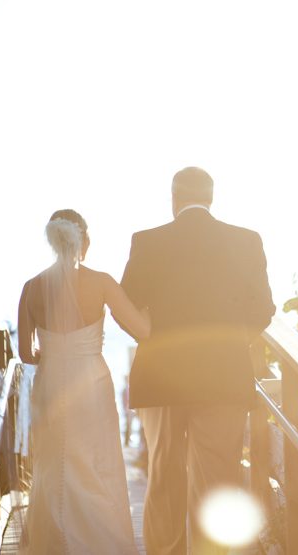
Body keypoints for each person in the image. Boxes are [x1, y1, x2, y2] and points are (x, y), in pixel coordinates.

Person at [121, 167, 275, 554]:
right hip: (223, 376)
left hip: (160, 377)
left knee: (163, 475)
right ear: (211, 197)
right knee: (218, 477)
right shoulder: (245, 241)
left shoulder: (147, 241)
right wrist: (231, 344)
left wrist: (150, 337)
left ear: (173, 199)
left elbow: (125, 307)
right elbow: (264, 309)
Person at [17, 209, 150, 554]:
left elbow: (26, 354)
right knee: (96, 460)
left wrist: (54, 352)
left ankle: (55, 541)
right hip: (90, 381)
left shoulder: (31, 287)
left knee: (54, 462)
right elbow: (142, 330)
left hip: (50, 383)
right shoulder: (102, 281)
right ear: (84, 241)